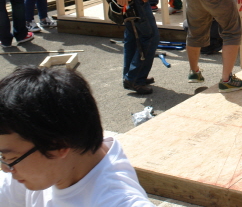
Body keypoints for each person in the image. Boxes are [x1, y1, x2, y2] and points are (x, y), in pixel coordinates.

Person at [0, 65, 154, 206]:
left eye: (11, 158)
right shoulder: (44, 167)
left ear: (58, 145)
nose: (5, 168)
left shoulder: (115, 201)